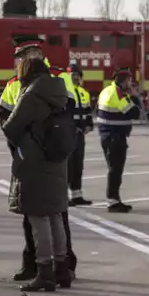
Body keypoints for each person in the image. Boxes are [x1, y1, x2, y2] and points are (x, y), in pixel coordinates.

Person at [0, 44, 79, 283]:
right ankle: (61, 266)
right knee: (55, 216)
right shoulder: (57, 85)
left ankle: (43, 269)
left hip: (34, 160)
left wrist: (11, 125)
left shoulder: (32, 92)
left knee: (38, 218)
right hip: (56, 158)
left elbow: (10, 127)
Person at [95, 68, 140, 213]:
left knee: (114, 169)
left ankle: (114, 199)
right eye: (129, 80)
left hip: (108, 136)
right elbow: (135, 113)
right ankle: (113, 201)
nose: (131, 83)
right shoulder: (118, 94)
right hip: (114, 137)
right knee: (115, 170)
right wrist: (133, 96)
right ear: (124, 81)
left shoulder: (107, 90)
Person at [67, 67, 94, 207]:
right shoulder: (65, 92)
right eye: (72, 75)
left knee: (78, 165)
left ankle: (76, 195)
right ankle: (64, 197)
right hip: (68, 133)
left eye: (77, 75)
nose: (75, 78)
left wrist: (89, 125)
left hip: (80, 134)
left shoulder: (84, 93)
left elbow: (88, 112)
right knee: (67, 165)